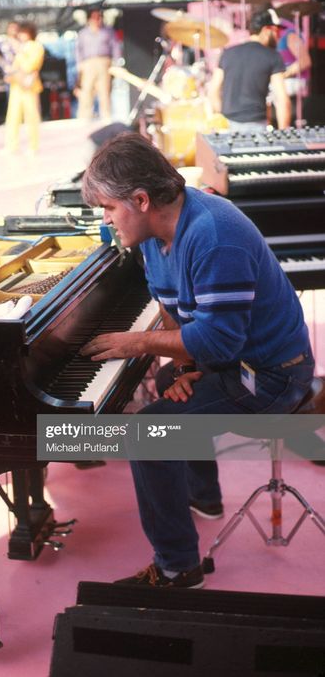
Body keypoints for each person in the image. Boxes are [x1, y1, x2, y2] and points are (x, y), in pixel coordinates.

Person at [80, 132, 314, 588]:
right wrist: (189, 365)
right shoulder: (153, 231)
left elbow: (220, 343)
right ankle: (203, 497)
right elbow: (173, 305)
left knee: (146, 435)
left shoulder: (214, 236)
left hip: (271, 376)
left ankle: (177, 568)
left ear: (142, 199)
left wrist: (139, 343)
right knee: (172, 382)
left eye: (108, 209)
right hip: (234, 360)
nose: (106, 221)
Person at [208, 8, 291, 132]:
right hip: (256, 127)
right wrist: (284, 134)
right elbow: (282, 99)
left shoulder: (227, 53)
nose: (278, 36)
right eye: (276, 31)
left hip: (227, 126)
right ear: (266, 30)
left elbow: (213, 91)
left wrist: (223, 117)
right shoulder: (272, 56)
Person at [4, 22, 45, 155]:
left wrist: (20, 53)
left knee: (31, 116)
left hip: (29, 86)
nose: (20, 35)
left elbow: (30, 66)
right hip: (16, 86)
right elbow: (16, 67)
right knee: (13, 117)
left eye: (23, 32)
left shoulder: (36, 46)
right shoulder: (20, 48)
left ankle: (33, 146)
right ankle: (12, 146)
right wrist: (10, 73)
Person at [75, 9, 122, 120]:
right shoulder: (83, 33)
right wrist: (79, 65)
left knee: (104, 92)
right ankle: (84, 118)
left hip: (104, 62)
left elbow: (115, 47)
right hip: (88, 64)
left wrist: (116, 63)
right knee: (86, 92)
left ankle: (106, 118)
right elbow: (78, 50)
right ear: (89, 19)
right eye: (94, 17)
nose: (97, 20)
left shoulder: (108, 31)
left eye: (99, 17)